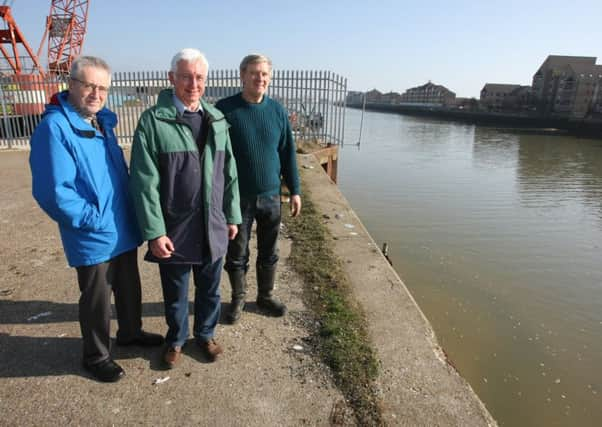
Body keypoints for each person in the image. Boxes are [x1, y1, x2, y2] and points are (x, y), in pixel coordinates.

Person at [29, 56, 163, 383]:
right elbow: (54, 192)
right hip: (93, 229)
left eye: (102, 87)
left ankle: (130, 333)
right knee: (97, 297)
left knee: (129, 285)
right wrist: (92, 218)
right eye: (89, 85)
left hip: (121, 225)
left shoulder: (102, 122)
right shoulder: (55, 128)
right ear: (71, 84)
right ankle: (96, 355)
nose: (96, 93)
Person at [129, 49, 241, 368]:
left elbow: (229, 172)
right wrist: (155, 231)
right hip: (175, 227)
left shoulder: (217, 119)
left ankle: (205, 335)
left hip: (213, 224)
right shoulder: (153, 121)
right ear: (172, 78)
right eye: (186, 76)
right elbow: (143, 181)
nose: (193, 84)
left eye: (200, 77)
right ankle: (176, 339)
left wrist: (231, 215)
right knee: (176, 292)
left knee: (210, 289)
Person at [216, 54, 301, 324]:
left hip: (271, 196)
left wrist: (295, 189)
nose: (259, 78)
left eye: (264, 74)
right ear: (242, 75)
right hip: (237, 197)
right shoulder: (225, 109)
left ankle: (265, 296)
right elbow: (215, 155)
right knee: (237, 252)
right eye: (254, 73)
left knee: (270, 251)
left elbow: (287, 153)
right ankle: (238, 298)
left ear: (270, 77)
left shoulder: (277, 111)